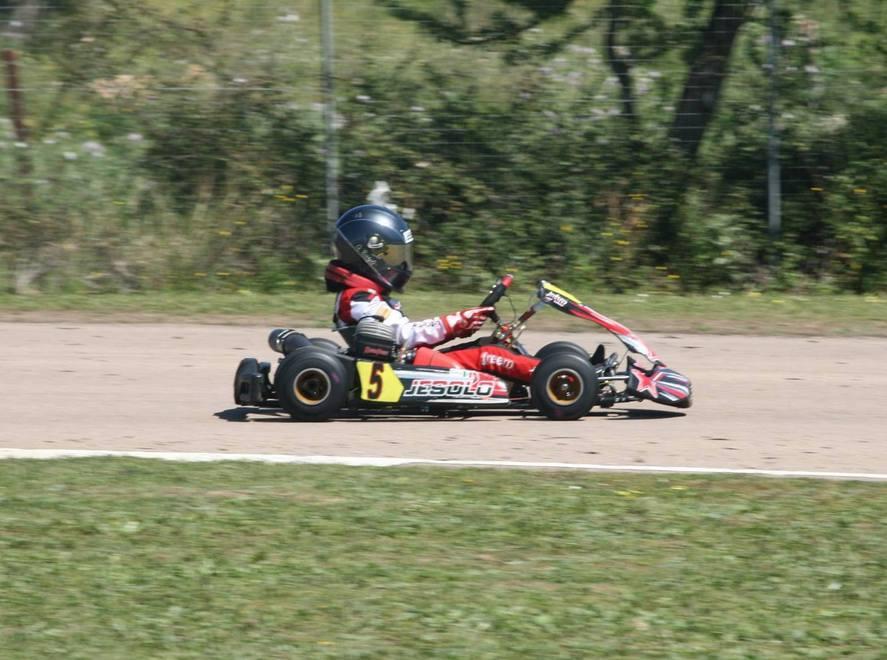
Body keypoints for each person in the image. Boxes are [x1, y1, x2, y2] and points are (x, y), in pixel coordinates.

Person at [325, 204, 539, 383]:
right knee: (489, 355)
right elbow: (405, 336)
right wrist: (453, 323)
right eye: (392, 255)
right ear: (369, 255)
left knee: (488, 345)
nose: (398, 263)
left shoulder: (364, 294)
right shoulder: (359, 298)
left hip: (407, 360)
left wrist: (459, 325)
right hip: (403, 366)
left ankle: (541, 372)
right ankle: (547, 377)